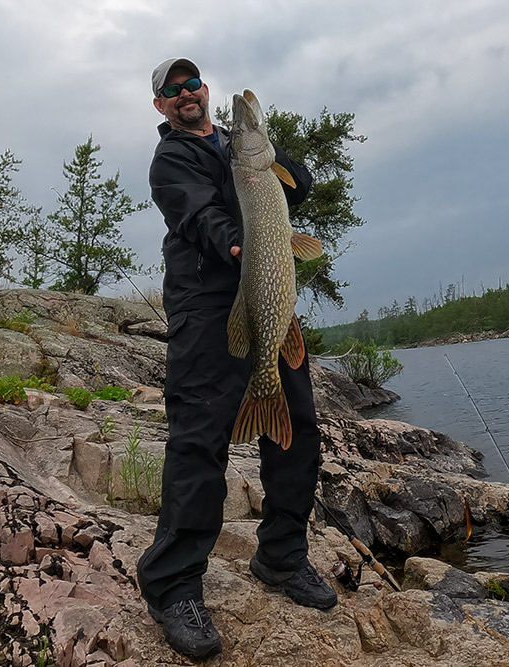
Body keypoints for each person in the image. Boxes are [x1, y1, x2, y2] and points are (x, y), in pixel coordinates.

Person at [136, 57, 337, 660]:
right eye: (173, 89)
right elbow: (201, 216)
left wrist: (279, 162)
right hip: (206, 307)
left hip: (268, 296)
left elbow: (297, 190)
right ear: (161, 106)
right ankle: (173, 586)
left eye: (193, 83)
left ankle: (281, 557)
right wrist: (237, 241)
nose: (186, 93)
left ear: (205, 90)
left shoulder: (238, 148)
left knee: (297, 428)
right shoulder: (171, 160)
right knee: (199, 438)